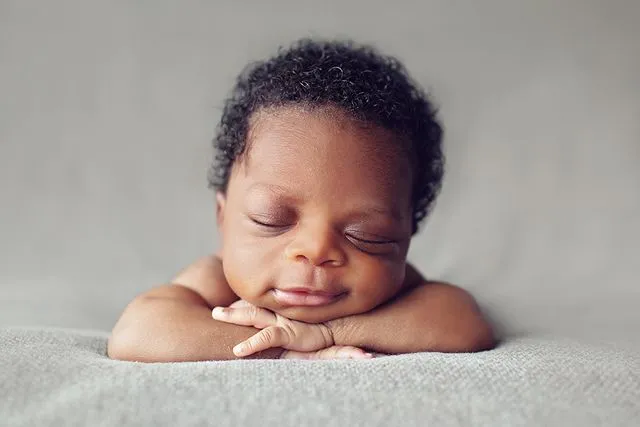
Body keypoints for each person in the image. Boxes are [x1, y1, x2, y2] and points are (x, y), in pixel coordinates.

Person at [108, 39, 495, 362]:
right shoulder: (215, 285)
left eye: (368, 235)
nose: (315, 251)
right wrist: (282, 347)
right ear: (223, 218)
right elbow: (136, 332)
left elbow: (466, 324)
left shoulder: (392, 293)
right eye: (270, 219)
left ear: (406, 236)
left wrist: (327, 334)